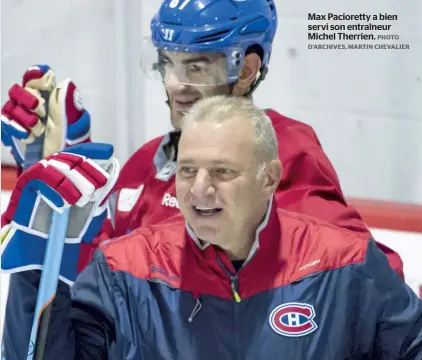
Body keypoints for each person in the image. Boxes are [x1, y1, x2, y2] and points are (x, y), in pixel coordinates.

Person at [1, 0, 406, 354]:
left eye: (196, 66)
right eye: (167, 62)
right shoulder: (145, 165)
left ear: (246, 69)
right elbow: (106, 296)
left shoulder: (286, 152)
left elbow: (362, 285)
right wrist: (62, 206)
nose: (176, 84)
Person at [3, 95, 422, 359]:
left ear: (270, 177)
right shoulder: (122, 271)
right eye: (187, 171)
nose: (200, 190)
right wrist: (37, 273)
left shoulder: (346, 264)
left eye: (222, 171)